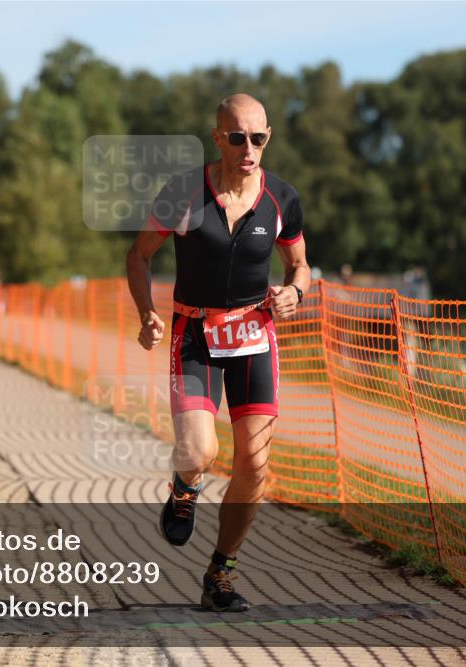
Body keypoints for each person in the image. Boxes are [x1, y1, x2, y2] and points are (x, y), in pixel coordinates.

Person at [125, 93, 311, 612]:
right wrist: (146, 313)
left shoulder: (281, 198)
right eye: (237, 138)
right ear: (218, 138)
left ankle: (220, 574)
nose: (249, 148)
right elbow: (138, 256)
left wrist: (295, 292)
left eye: (259, 138)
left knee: (255, 464)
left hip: (254, 336)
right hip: (194, 335)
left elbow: (300, 266)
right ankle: (185, 488)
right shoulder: (184, 193)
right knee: (199, 451)